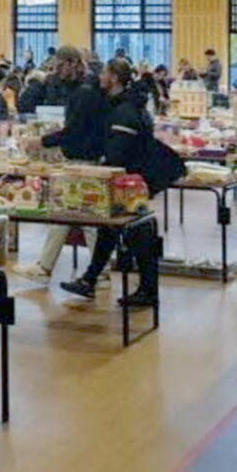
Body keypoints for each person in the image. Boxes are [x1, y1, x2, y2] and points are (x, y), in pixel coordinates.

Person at [59, 58, 160, 306]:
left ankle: (147, 290)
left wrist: (104, 169)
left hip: (128, 182)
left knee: (137, 233)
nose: (100, 76)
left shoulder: (124, 111)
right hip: (134, 180)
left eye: (104, 72)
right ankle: (90, 279)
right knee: (109, 230)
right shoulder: (127, 104)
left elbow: (119, 152)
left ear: (114, 77)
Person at [15, 46, 105, 279]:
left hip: (83, 161)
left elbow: (73, 131)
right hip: (82, 159)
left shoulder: (84, 92)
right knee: (68, 216)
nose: (57, 72)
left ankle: (95, 271)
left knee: (83, 219)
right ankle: (48, 267)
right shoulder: (84, 87)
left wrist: (41, 141)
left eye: (60, 66)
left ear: (72, 63)